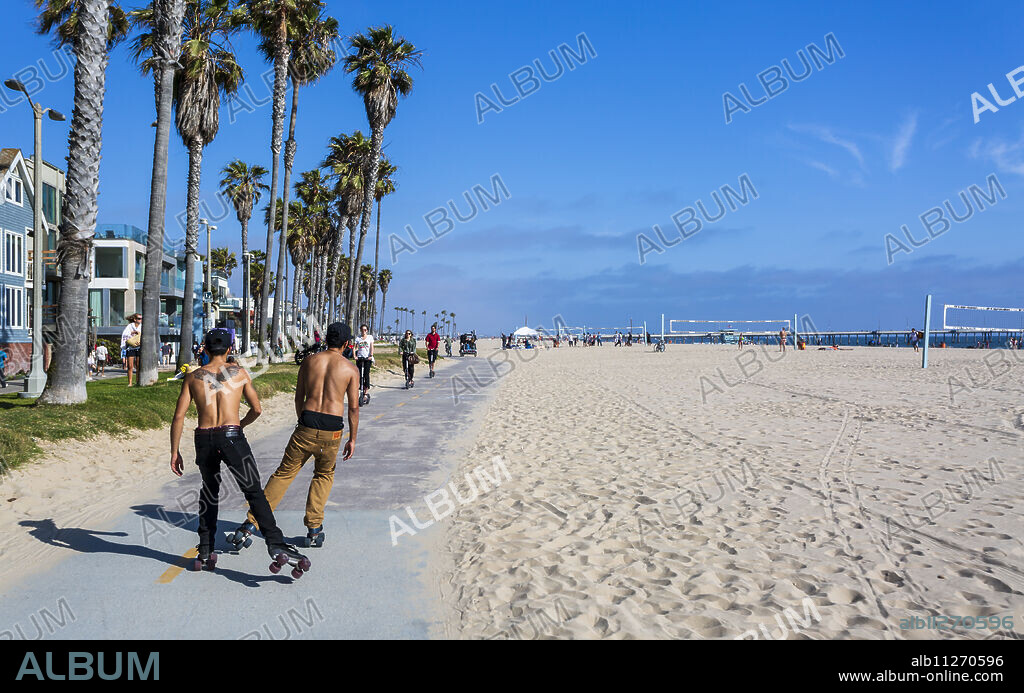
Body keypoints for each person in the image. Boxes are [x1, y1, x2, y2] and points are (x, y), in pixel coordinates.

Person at [170, 328, 309, 575]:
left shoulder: (193, 378)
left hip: (203, 438)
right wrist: (239, 425)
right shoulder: (239, 373)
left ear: (204, 347)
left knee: (209, 491)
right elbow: (256, 409)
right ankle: (276, 544)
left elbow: (179, 416)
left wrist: (175, 452)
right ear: (230, 349)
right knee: (253, 490)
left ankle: (205, 547)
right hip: (232, 437)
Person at [229, 322, 359, 550]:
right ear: (347, 344)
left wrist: (303, 421)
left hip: (306, 423)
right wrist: (353, 438)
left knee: (284, 474)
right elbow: (354, 408)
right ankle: (314, 529)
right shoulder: (350, 369)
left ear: (325, 339)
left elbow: (299, 397)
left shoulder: (310, 361)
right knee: (324, 474)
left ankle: (251, 524)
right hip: (332, 428)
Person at [354, 323, 374, 402]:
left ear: (367, 330)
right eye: (362, 330)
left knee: (366, 374)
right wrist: (354, 355)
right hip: (359, 357)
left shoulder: (370, 337)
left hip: (367, 358)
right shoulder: (358, 338)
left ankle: (365, 392)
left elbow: (372, 347)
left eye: (365, 330)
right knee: (359, 375)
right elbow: (354, 347)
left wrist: (371, 355)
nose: (363, 331)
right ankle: (360, 388)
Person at [121, 313, 142, 386]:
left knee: (138, 366)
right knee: (130, 366)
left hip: (139, 347)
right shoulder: (130, 326)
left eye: (141, 319)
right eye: (139, 318)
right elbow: (124, 335)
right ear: (135, 319)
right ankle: (130, 383)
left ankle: (137, 381)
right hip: (131, 348)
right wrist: (132, 332)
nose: (140, 320)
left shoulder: (142, 327)